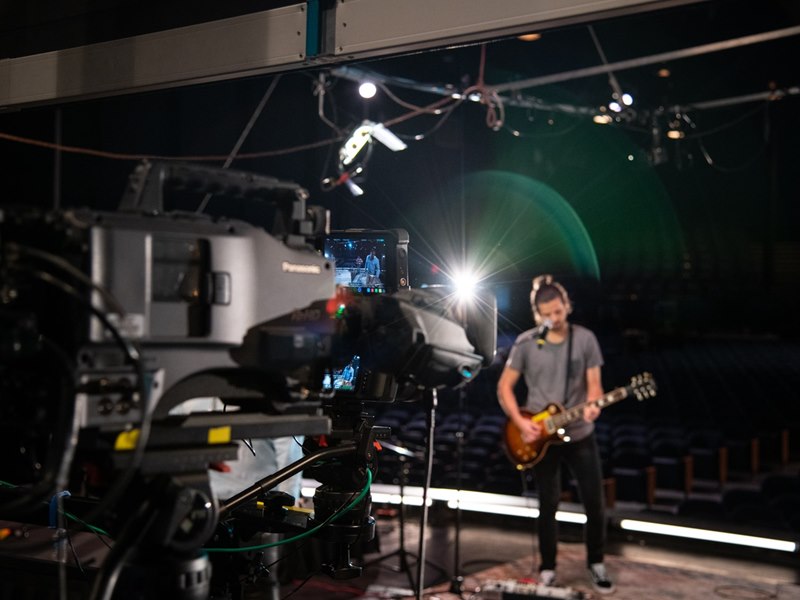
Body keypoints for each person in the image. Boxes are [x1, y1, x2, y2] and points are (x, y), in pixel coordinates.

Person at [496, 274, 615, 595]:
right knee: (547, 504)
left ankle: (596, 562)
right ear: (539, 314)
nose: (554, 318)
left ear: (567, 306)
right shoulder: (525, 343)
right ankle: (548, 567)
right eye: (547, 314)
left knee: (595, 502)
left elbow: (595, 387)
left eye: (558, 312)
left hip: (579, 434)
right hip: (538, 435)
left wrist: (593, 406)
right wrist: (521, 424)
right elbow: (504, 387)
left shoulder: (586, 339)